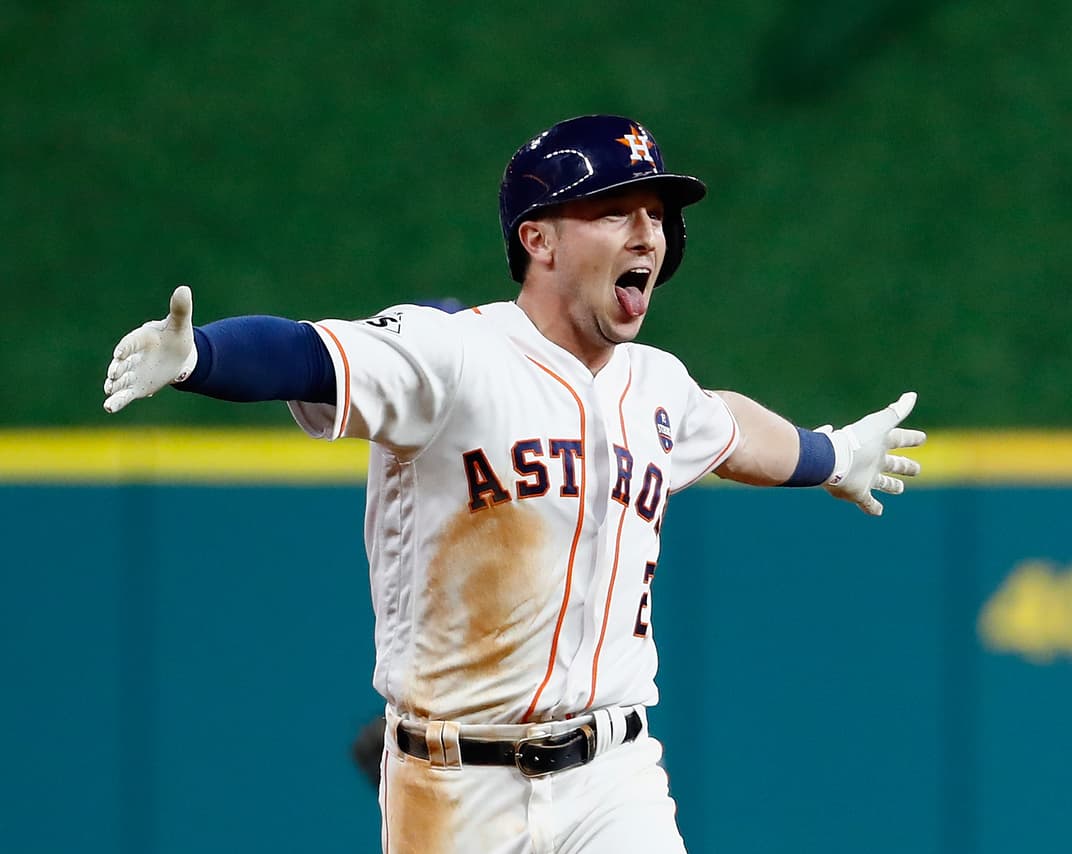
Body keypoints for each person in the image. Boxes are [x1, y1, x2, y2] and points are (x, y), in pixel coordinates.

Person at [102, 114, 926, 854]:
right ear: (538, 240)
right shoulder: (453, 354)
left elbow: (734, 430)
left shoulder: (656, 382)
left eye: (658, 216)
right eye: (615, 211)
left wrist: (829, 455)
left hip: (616, 774)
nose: (649, 233)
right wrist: (200, 358)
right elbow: (313, 354)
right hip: (455, 785)